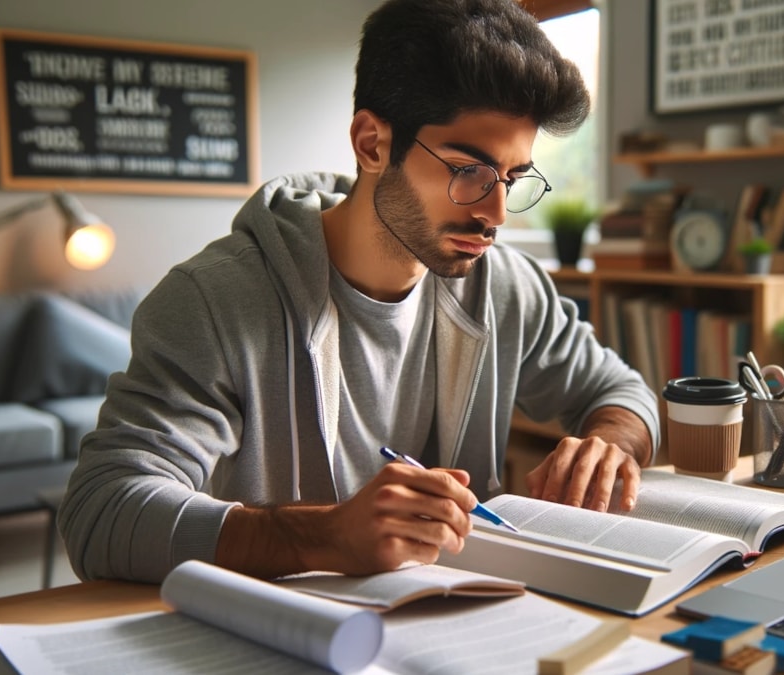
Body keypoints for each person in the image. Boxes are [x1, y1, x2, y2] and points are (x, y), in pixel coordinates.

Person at [58, 0, 659, 584]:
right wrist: (319, 536)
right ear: (372, 143)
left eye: (513, 178)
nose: (495, 213)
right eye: (467, 171)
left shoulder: (505, 286)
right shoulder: (214, 301)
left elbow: (621, 392)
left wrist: (609, 445)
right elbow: (101, 511)